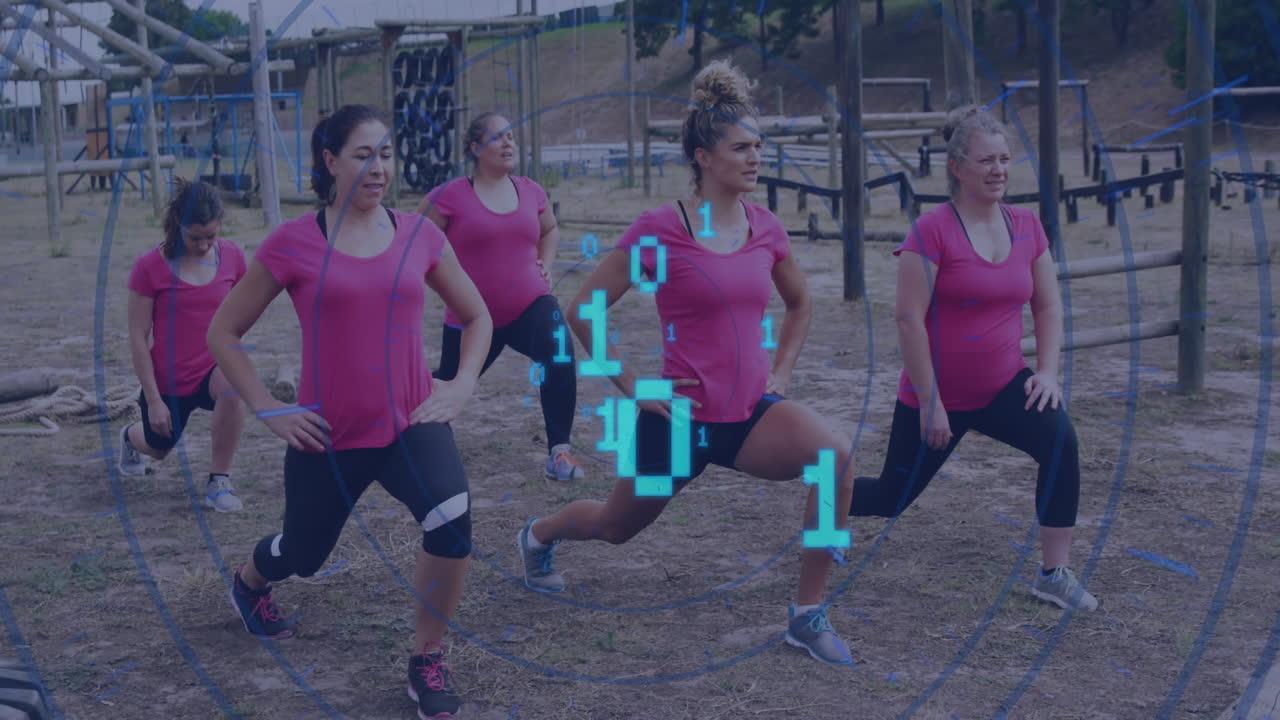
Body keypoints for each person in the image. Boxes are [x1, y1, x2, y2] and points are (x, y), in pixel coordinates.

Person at [514, 61, 858, 665]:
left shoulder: (766, 228)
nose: (755, 158)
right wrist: (631, 384)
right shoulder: (660, 231)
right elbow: (585, 307)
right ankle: (538, 535)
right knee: (615, 529)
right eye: (741, 148)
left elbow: (801, 304)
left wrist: (780, 373)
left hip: (750, 416)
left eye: (759, 147)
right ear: (703, 156)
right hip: (676, 424)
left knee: (834, 458)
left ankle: (806, 614)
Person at [206, 104, 493, 719]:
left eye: (386, 154)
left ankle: (426, 659)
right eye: (363, 155)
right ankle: (251, 581)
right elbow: (223, 332)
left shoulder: (420, 235)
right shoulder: (293, 242)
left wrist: (462, 383)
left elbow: (477, 316)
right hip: (327, 436)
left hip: (411, 425)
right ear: (329, 161)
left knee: (451, 520)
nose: (378, 168)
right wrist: (267, 407)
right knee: (304, 556)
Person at [847, 105, 1097, 612]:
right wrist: (932, 401)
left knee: (1060, 443)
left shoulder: (1027, 224)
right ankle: (825, 503)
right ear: (958, 167)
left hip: (1006, 384)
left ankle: (1055, 573)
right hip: (937, 394)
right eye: (986, 161)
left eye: (1004, 159)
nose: (999, 170)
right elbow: (908, 320)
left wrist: (1047, 373)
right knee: (890, 499)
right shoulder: (932, 230)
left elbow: (1047, 304)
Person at [414, 112, 585, 482]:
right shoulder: (448, 197)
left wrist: (545, 263)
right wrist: (445, 287)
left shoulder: (531, 190)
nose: (509, 144)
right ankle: (407, 438)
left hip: (530, 307)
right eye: (499, 137)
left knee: (559, 350)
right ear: (476, 148)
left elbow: (550, 229)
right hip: (471, 318)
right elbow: (414, 246)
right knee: (445, 385)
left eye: (512, 137)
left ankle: (560, 452)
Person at [119, 178, 248, 513]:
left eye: (211, 236)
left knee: (234, 386)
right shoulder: (148, 267)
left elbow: (241, 313)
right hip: (167, 383)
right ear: (178, 222)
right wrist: (153, 399)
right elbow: (137, 335)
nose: (204, 245)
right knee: (158, 448)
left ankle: (219, 481)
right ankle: (129, 438)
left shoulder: (233, 257)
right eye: (195, 237)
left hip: (212, 371)